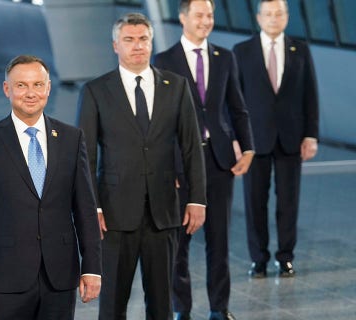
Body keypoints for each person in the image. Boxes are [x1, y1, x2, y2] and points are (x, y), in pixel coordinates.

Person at [77, 13, 207, 320]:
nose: (137, 46)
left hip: (164, 214)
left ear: (152, 42)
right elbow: (84, 156)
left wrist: (196, 198)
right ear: (115, 45)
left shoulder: (176, 86)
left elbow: (191, 147)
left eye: (143, 39)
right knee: (112, 304)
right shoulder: (96, 90)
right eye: (129, 40)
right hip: (113, 215)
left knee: (162, 304)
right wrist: (91, 208)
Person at [0, 55, 102, 320]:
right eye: (22, 85)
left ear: (48, 88)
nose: (31, 93)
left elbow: (85, 208)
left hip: (59, 276)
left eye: (38, 85)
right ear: (7, 89)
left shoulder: (72, 139)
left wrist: (92, 267)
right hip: (5, 278)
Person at [153, 1, 255, 319]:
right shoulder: (164, 60)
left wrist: (248, 147)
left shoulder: (225, 57)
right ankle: (181, 308)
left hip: (219, 159)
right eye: (199, 15)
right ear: (183, 18)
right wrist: (167, 166)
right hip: (180, 165)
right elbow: (160, 120)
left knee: (219, 240)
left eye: (209, 15)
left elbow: (236, 106)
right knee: (179, 243)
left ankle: (219, 308)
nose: (205, 21)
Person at [233, 0, 319, 279]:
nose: (273, 18)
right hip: (254, 141)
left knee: (288, 202)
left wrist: (311, 135)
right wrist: (237, 139)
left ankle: (285, 257)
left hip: (291, 139)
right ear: (258, 18)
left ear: (287, 16)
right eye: (268, 14)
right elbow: (234, 101)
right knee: (254, 202)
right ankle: (259, 259)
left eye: (278, 13)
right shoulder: (242, 51)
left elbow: (310, 95)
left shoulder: (300, 50)